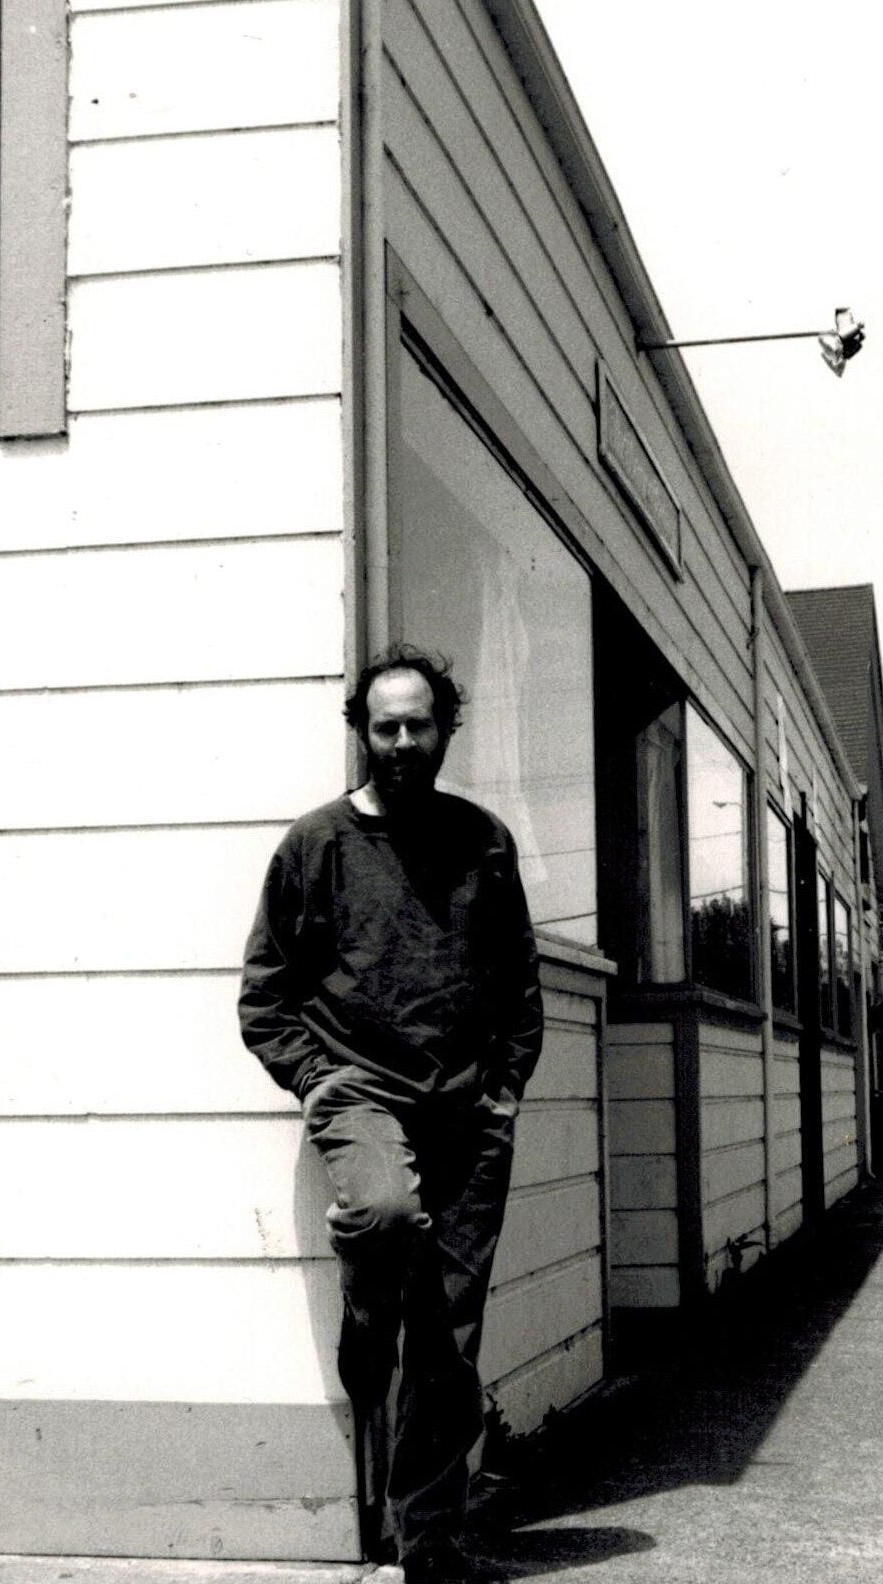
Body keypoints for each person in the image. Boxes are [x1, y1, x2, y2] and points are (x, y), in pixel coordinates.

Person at [238, 646, 543, 1584]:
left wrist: (501, 1092)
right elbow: (265, 996)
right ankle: (365, 1322)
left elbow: (518, 986)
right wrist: (318, 1079)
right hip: (360, 1092)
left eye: (419, 724)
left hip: (468, 1112)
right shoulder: (316, 845)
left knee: (448, 1336)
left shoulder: (484, 841)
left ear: (446, 727)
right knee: (381, 1217)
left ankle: (429, 1538)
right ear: (362, 733)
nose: (403, 741)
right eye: (386, 726)